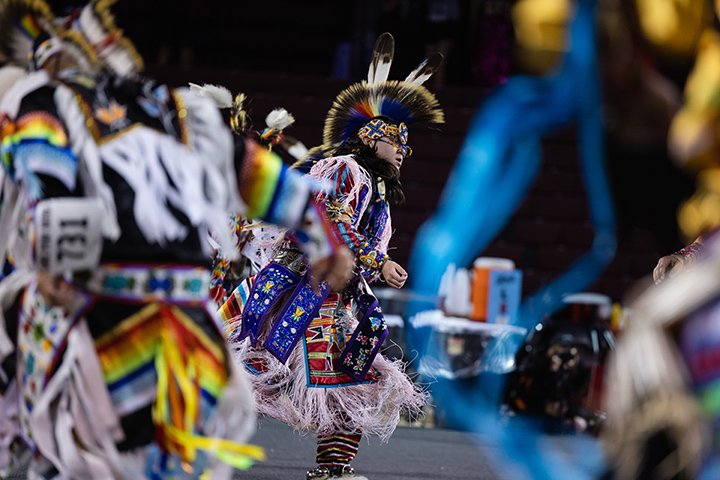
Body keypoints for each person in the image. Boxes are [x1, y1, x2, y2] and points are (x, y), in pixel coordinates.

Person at [0, 1, 352, 478]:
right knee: (162, 458)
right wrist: (322, 238)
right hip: (183, 323)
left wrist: (59, 263)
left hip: (99, 312)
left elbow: (46, 169)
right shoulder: (171, 107)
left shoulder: (41, 101)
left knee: (68, 443)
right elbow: (250, 168)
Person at [220, 32, 444, 480]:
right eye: (395, 140)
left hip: (336, 298)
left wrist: (373, 265)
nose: (403, 149)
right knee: (245, 372)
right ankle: (178, 439)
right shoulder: (342, 169)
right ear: (369, 135)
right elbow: (328, 220)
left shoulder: (376, 191)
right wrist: (376, 262)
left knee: (353, 381)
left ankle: (333, 469)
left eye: (407, 144)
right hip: (296, 287)